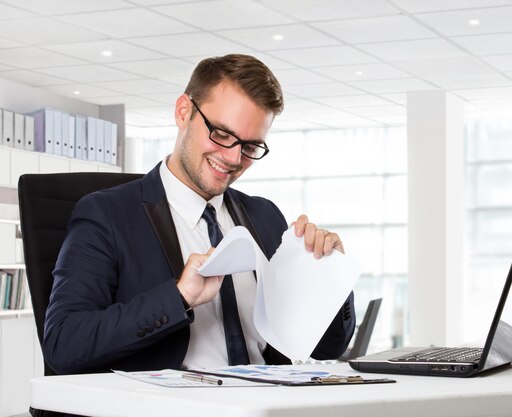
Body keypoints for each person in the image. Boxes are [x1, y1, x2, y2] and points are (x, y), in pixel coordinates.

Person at [43, 54, 355, 374]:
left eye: (250, 146)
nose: (234, 158)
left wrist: (329, 277)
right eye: (221, 133)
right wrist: (178, 297)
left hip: (267, 402)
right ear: (184, 112)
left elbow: (327, 347)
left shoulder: (264, 215)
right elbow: (64, 344)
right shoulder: (106, 215)